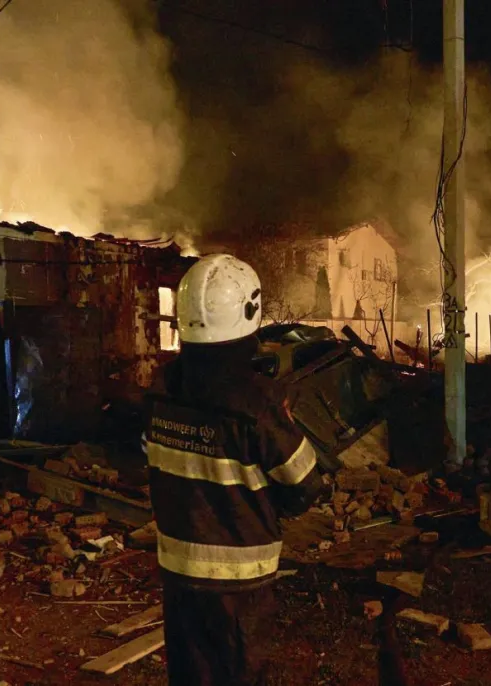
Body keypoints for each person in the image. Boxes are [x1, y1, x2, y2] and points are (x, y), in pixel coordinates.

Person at [142, 254, 323, 685]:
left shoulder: (162, 388)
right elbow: (304, 486)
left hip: (178, 571)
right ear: (250, 310)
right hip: (239, 583)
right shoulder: (256, 402)